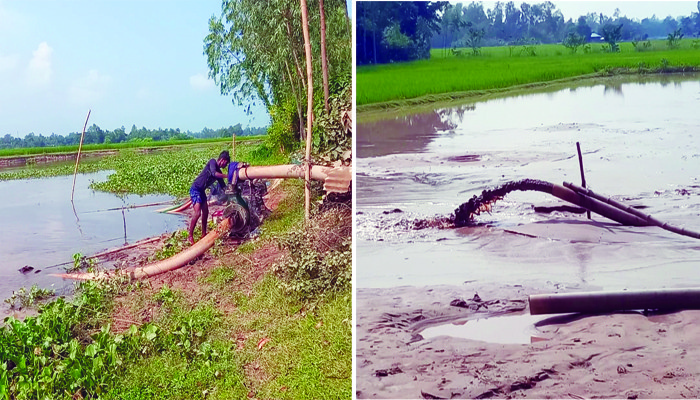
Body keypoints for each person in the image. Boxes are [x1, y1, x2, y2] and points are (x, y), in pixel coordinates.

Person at [188, 150, 230, 244]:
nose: (225, 166)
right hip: (195, 189)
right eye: (225, 163)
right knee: (198, 212)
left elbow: (223, 186)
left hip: (202, 191)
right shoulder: (212, 162)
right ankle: (190, 235)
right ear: (222, 160)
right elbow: (214, 173)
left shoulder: (219, 172)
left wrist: (230, 193)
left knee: (206, 212)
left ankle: (203, 234)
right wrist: (227, 176)